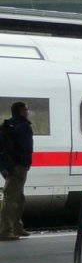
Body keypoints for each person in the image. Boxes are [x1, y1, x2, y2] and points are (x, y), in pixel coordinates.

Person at [0, 101, 34, 240]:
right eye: (26, 109)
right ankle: (5, 230)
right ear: (20, 111)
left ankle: (17, 227)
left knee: (18, 197)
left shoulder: (6, 125)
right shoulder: (23, 126)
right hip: (18, 167)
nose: (27, 112)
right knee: (11, 198)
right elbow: (26, 148)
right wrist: (24, 163)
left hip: (10, 166)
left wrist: (3, 167)